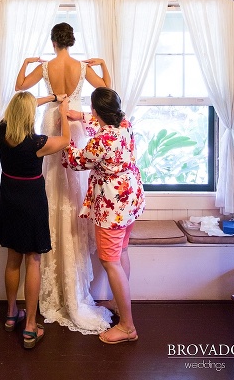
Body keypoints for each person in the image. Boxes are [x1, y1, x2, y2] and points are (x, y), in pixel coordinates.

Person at [14, 22, 112, 334]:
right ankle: (75, 282)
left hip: (51, 120)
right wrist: (104, 65)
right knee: (74, 186)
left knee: (51, 185)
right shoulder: (82, 67)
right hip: (76, 123)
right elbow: (107, 90)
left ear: (53, 40)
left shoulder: (46, 67)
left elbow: (20, 88)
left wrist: (27, 63)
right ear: (70, 40)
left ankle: (53, 275)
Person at [64, 87, 145, 344]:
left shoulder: (101, 141)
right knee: (121, 253)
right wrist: (79, 116)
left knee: (110, 261)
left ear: (96, 111)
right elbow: (99, 124)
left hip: (112, 204)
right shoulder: (124, 124)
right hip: (129, 198)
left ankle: (127, 326)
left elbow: (76, 160)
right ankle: (119, 306)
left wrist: (65, 137)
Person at [0, 91, 71, 349]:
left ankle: (11, 314)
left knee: (12, 259)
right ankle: (30, 327)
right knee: (33, 260)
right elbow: (67, 140)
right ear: (29, 115)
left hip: (9, 200)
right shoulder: (38, 143)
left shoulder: (3, 131)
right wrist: (63, 111)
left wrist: (49, 97)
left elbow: (21, 107)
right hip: (31, 203)